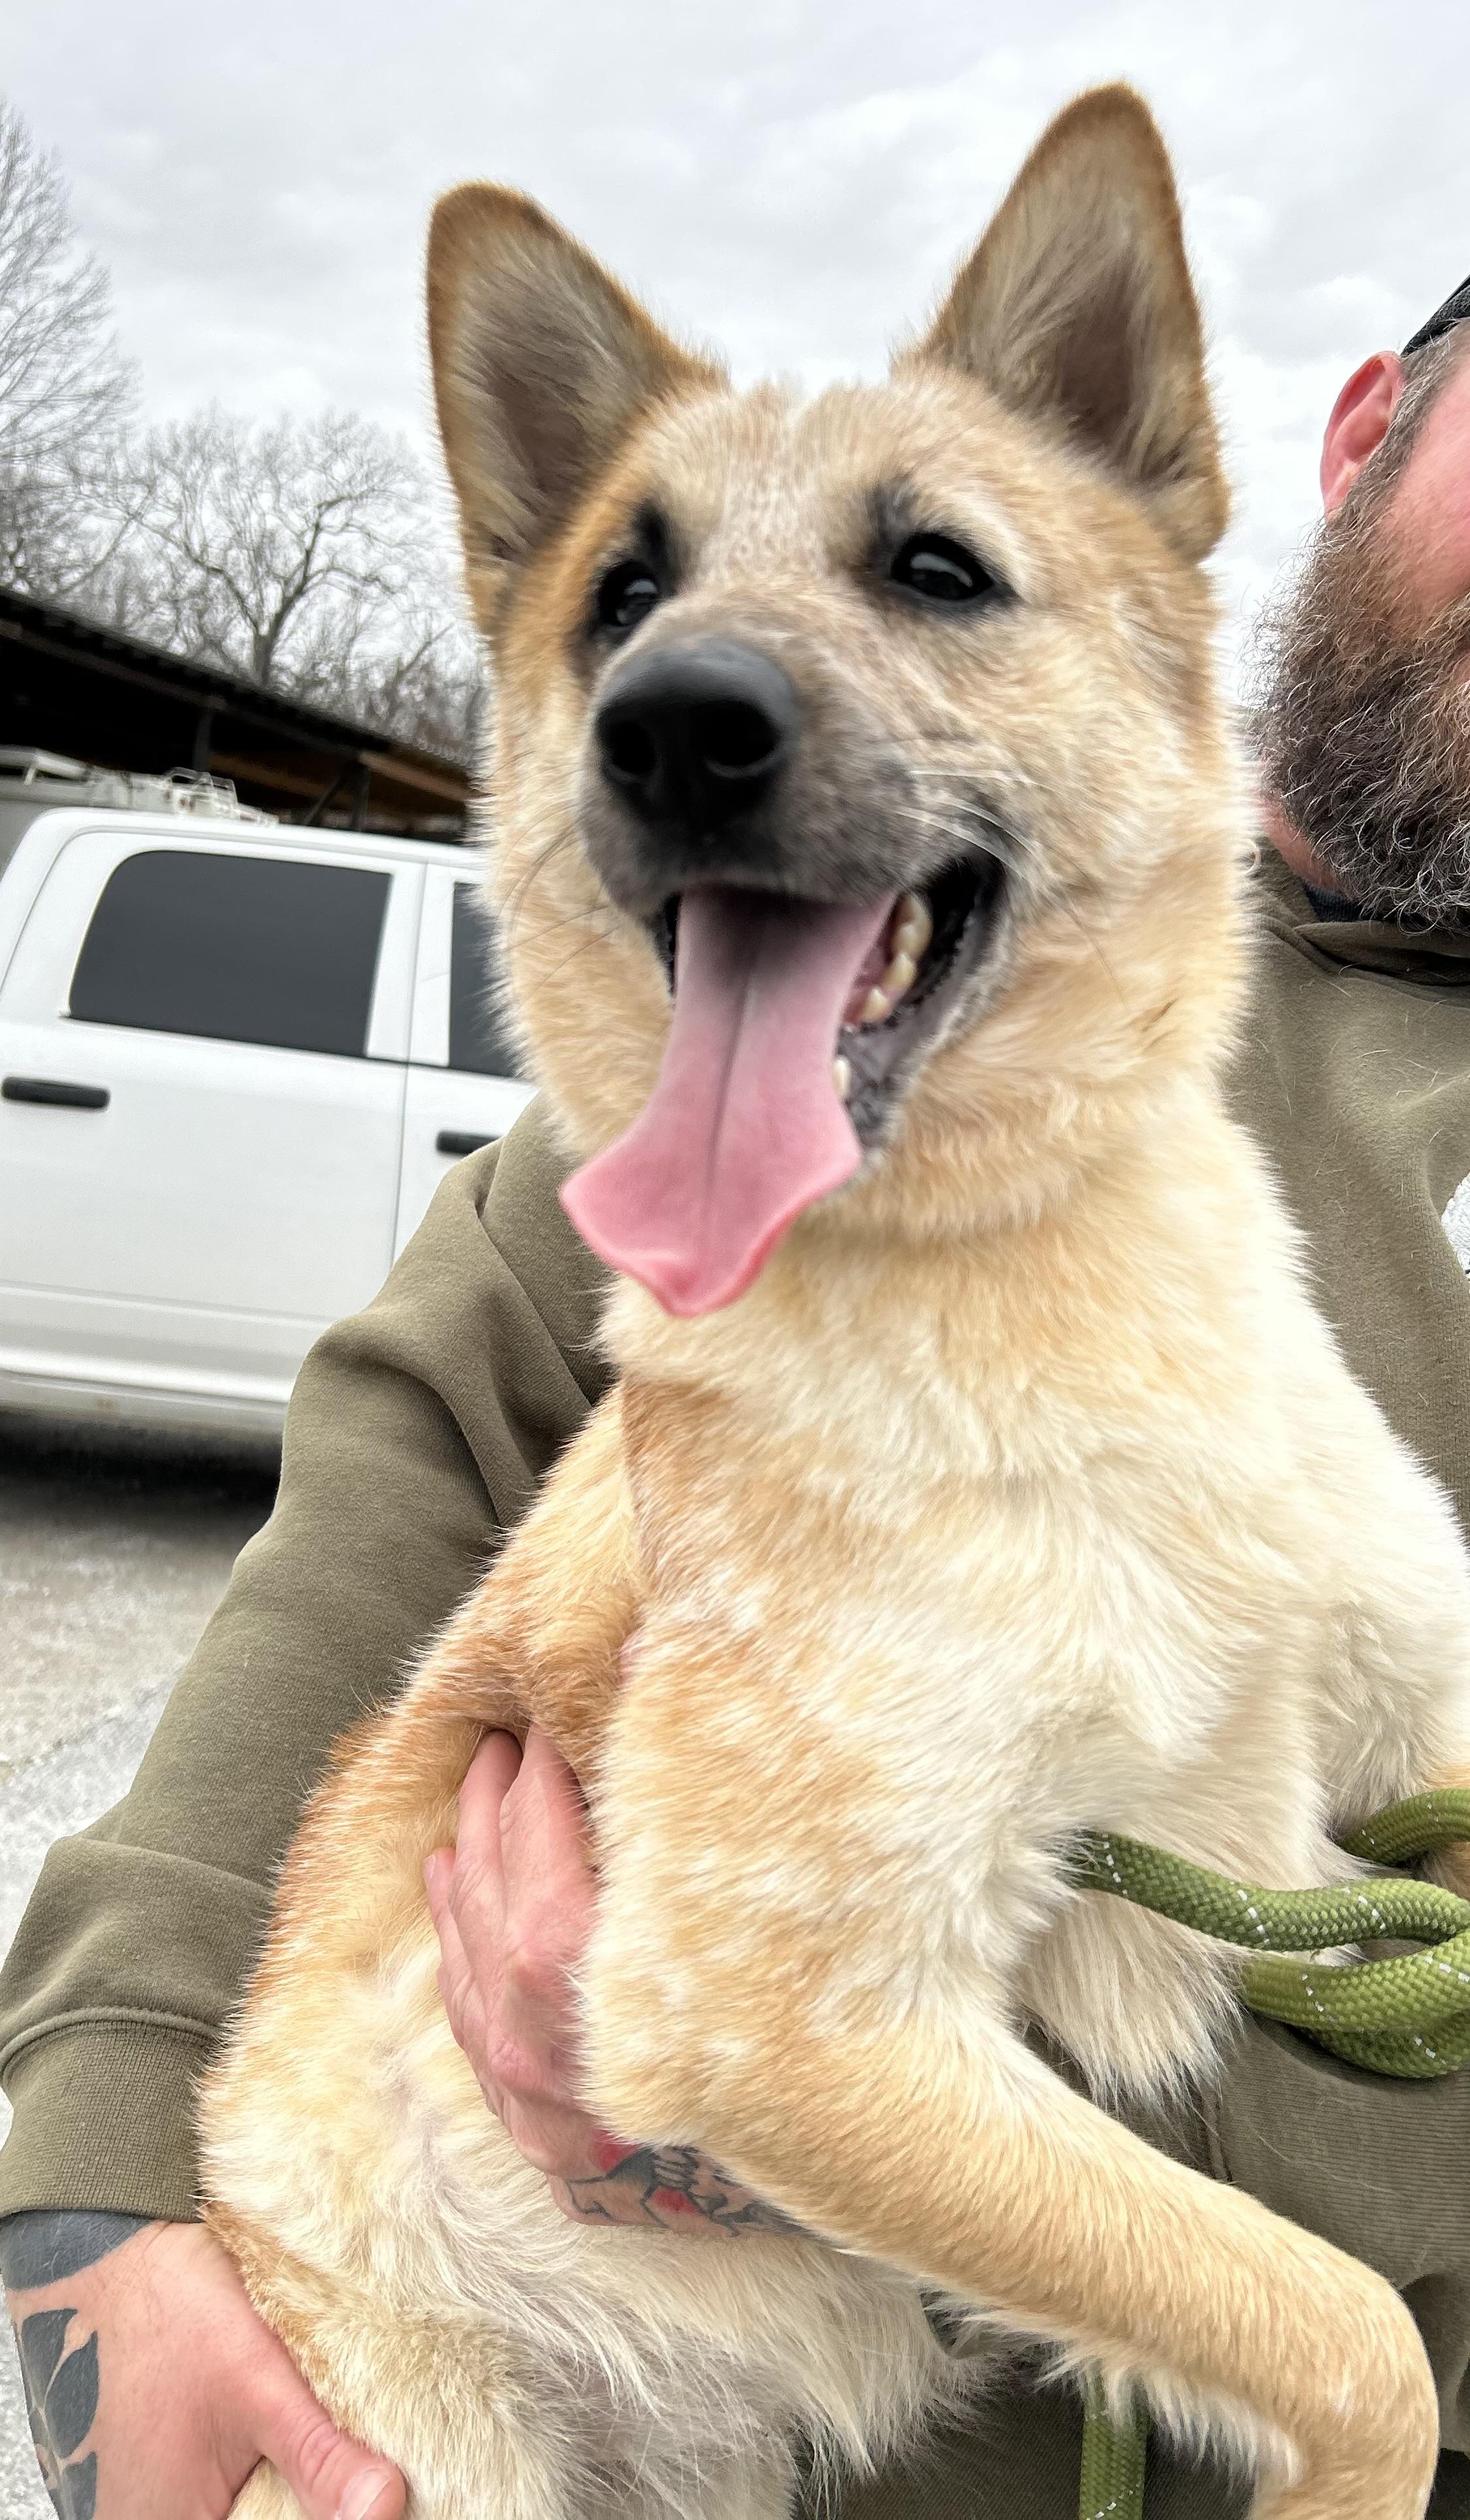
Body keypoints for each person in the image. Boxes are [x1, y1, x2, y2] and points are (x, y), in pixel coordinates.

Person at [6, 271, 1470, 2520]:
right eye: (631, 613)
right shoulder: (825, 1065)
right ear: (1369, 426)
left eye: (935, 577)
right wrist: (97, 2187)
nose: (699, 681)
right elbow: (385, 1508)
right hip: (462, 2371)